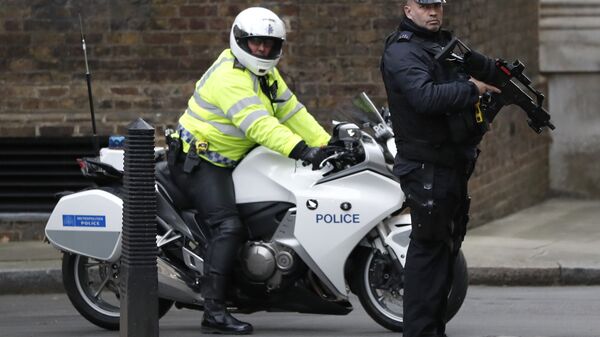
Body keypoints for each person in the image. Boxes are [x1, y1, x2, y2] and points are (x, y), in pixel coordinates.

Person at [168, 7, 331, 335]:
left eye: (269, 44)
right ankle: (213, 311)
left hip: (229, 159)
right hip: (200, 161)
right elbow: (259, 124)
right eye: (256, 42)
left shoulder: (266, 76)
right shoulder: (230, 78)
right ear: (241, 40)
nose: (262, 50)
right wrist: (301, 150)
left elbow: (292, 112)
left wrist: (327, 146)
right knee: (228, 226)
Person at [380, 1, 500, 336]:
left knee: (445, 251)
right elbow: (424, 97)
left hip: (449, 165)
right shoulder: (402, 52)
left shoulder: (440, 46)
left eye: (438, 5)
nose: (434, 12)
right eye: (425, 5)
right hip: (425, 167)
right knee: (429, 252)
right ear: (408, 9)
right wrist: (471, 89)